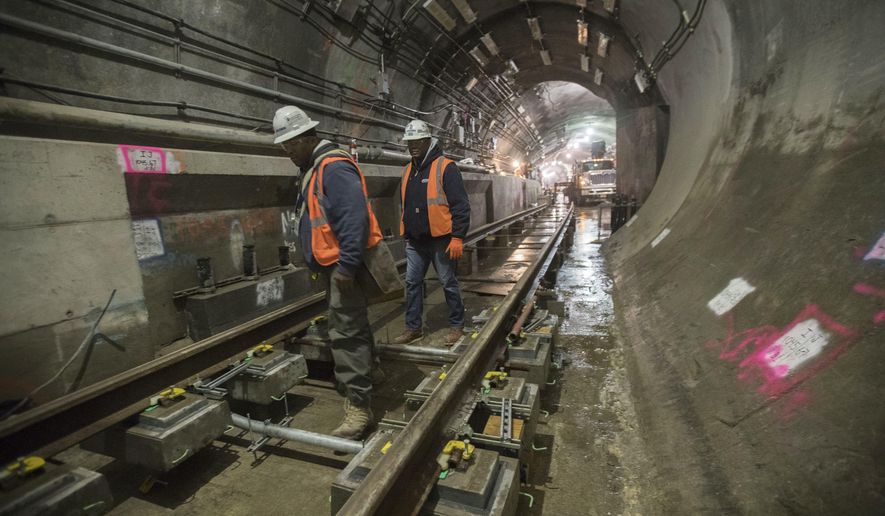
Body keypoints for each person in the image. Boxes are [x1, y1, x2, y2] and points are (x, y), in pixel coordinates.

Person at [273, 105, 381, 439]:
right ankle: (369, 375)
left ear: (307, 137)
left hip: (342, 267)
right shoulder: (314, 167)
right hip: (333, 265)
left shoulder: (332, 168)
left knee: (345, 335)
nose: (287, 150)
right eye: (283, 145)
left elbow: (354, 219)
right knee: (351, 328)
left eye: (291, 143)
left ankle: (358, 407)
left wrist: (346, 267)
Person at [392, 120, 470, 346]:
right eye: (410, 142)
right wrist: (407, 232)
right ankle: (413, 328)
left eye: (418, 141)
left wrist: (457, 237)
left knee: (448, 282)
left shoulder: (446, 167)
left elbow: (460, 205)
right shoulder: (408, 171)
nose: (413, 146)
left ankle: (457, 326)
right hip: (416, 241)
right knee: (412, 283)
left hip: (441, 240)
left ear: (428, 141)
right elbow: (405, 204)